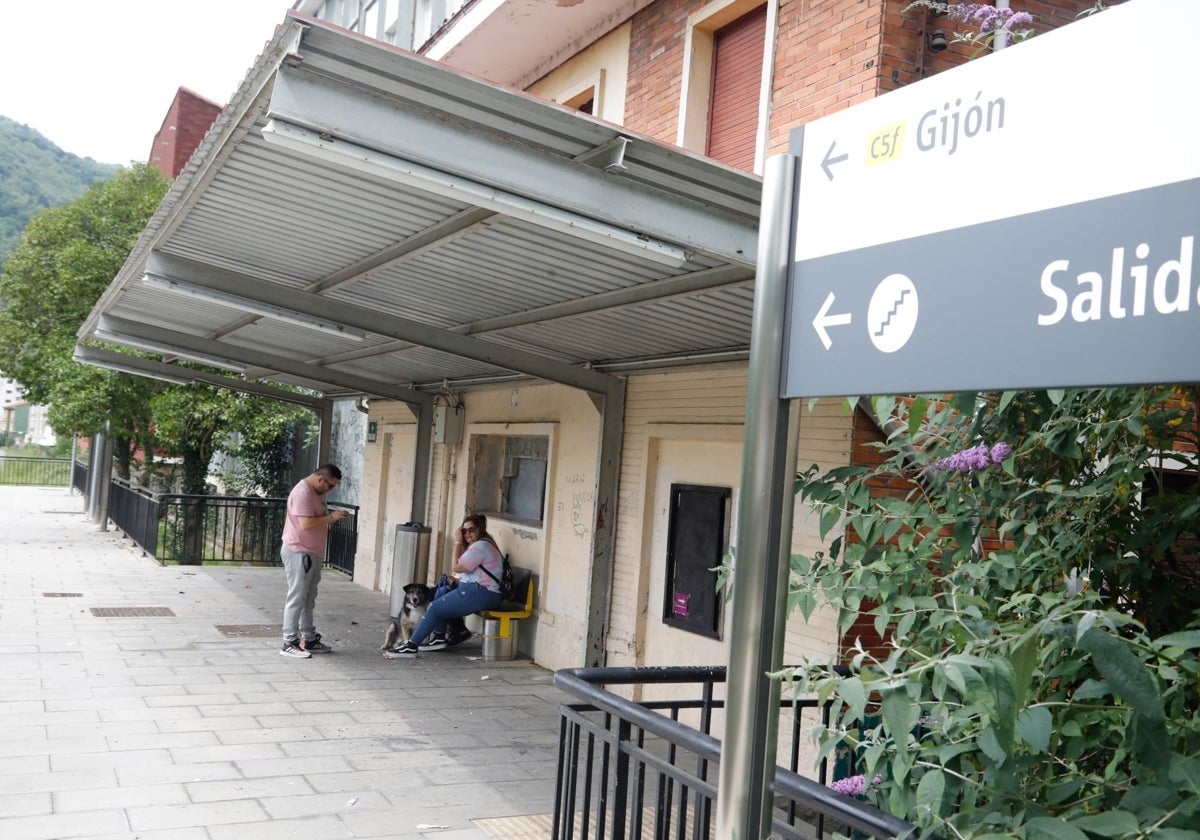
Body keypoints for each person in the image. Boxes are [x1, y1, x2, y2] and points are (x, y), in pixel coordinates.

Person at [384, 513, 503, 658]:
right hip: (479, 591)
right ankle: (439, 637)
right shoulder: (482, 544)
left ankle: (411, 645)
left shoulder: (481, 546)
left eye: (471, 530)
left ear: (481, 530)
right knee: (441, 593)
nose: (467, 534)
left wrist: (458, 542)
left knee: (434, 608)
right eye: (464, 531)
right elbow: (475, 573)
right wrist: (457, 581)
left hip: (483, 593)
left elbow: (457, 567)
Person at [279, 464, 350, 658]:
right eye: (331, 486)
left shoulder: (314, 492)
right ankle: (289, 641)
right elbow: (306, 523)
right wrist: (331, 517)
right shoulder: (303, 493)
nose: (331, 490)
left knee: (308, 599)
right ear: (320, 479)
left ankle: (308, 638)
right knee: (297, 597)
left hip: (310, 553)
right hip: (299, 551)